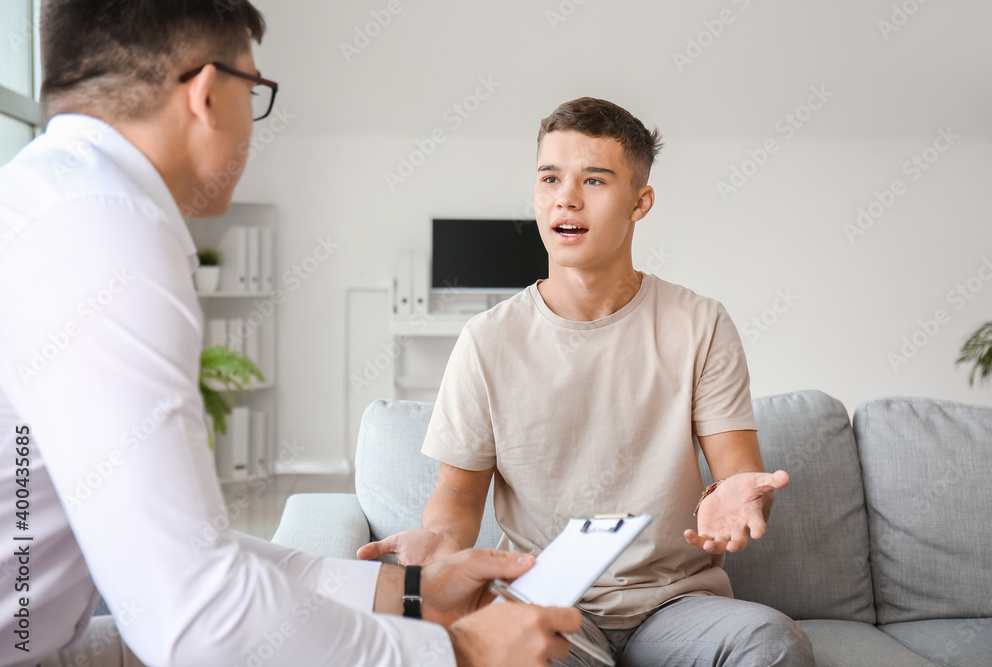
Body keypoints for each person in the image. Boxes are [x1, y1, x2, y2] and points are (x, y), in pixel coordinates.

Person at [0, 2, 580, 666]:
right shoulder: (106, 234)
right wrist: (456, 651)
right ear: (206, 93)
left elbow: (174, 549)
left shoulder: (52, 198)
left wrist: (411, 591)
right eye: (255, 91)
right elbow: (197, 616)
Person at [360, 97, 816, 666]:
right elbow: (457, 494)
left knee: (773, 641)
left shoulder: (700, 323)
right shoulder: (487, 340)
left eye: (594, 180)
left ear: (639, 202)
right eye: (550, 177)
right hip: (543, 596)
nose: (565, 197)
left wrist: (738, 498)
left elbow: (737, 478)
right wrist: (441, 548)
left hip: (676, 605)